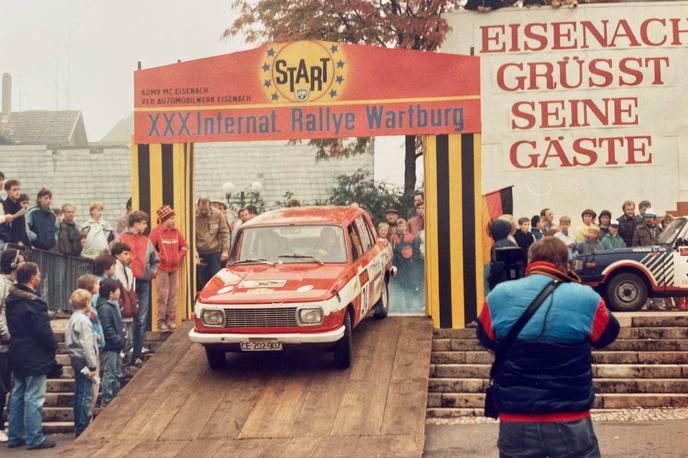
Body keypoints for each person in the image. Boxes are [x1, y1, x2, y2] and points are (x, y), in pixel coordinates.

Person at [477, 237, 620, 458]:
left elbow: (485, 339)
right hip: (571, 418)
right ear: (566, 264)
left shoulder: (498, 295)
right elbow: (606, 336)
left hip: (516, 421)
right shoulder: (587, 298)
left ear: (530, 260)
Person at [5, 262, 58, 450]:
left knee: (18, 393)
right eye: (38, 274)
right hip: (35, 352)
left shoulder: (12, 299)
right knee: (34, 396)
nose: (40, 277)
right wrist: (53, 346)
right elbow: (42, 330)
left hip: (18, 350)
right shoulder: (33, 303)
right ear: (32, 278)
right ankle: (34, 436)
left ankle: (15, 434)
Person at [119, 211, 159, 366]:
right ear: (135, 223)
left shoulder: (146, 240)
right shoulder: (121, 238)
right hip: (126, 283)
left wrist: (151, 273)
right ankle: (126, 356)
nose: (146, 226)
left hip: (142, 282)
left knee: (141, 320)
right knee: (126, 318)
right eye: (143, 223)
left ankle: (136, 356)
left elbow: (156, 259)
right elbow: (112, 255)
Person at [65, 288, 98, 437]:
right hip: (83, 359)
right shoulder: (84, 320)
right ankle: (83, 427)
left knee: (79, 393)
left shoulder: (74, 318)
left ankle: (78, 425)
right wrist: (92, 365)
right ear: (86, 303)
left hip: (75, 358)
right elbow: (86, 344)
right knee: (85, 394)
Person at [149, 205, 188, 331]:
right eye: (171, 218)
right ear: (164, 219)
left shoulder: (176, 232)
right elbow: (150, 248)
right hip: (161, 269)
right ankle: (161, 322)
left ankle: (171, 321)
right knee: (163, 295)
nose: (173, 221)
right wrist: (160, 257)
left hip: (174, 268)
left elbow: (185, 246)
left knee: (172, 295)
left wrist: (178, 256)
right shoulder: (156, 232)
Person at [0, 248, 24, 443]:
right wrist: (5, 333)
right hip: (3, 341)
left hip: (11, 343)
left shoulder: (12, 285)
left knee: (7, 384)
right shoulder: (1, 284)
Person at [96, 279, 125, 407]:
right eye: (117, 291)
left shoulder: (109, 306)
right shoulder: (105, 308)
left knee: (116, 374)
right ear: (111, 294)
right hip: (110, 347)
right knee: (110, 374)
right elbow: (107, 328)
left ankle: (114, 400)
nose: (119, 293)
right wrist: (118, 340)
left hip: (115, 347)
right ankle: (107, 401)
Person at [196, 197, 230, 287]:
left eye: (205, 209)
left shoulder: (218, 214)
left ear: (210, 206)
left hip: (214, 251)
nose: (203, 211)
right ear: (198, 206)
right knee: (200, 280)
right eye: (201, 209)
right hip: (199, 252)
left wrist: (225, 251)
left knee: (216, 278)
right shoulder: (192, 214)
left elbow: (225, 232)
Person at [111, 243, 136, 363]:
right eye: (125, 254)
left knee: (129, 340)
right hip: (122, 312)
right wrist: (121, 305)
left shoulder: (128, 270)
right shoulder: (115, 271)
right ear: (117, 255)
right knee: (123, 339)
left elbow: (131, 289)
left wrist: (135, 303)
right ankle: (122, 366)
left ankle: (127, 364)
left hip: (129, 311)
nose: (128, 256)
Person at [0, 180, 30, 248]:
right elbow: (6, 228)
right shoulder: (5, 205)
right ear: (7, 191)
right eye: (14, 190)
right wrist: (16, 241)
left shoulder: (19, 206)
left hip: (21, 243)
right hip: (10, 242)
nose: (17, 192)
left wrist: (29, 244)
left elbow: (22, 227)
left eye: (19, 189)